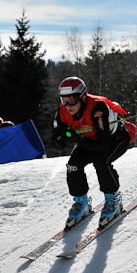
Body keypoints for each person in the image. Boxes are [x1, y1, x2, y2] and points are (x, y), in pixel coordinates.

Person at [52, 76, 131, 229]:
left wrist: (76, 138)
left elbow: (103, 145)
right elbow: (56, 138)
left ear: (82, 96)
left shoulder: (97, 108)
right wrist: (64, 139)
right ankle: (81, 202)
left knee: (101, 162)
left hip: (115, 138)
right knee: (73, 166)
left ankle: (113, 200)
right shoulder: (62, 111)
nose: (68, 105)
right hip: (89, 139)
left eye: (72, 100)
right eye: (64, 100)